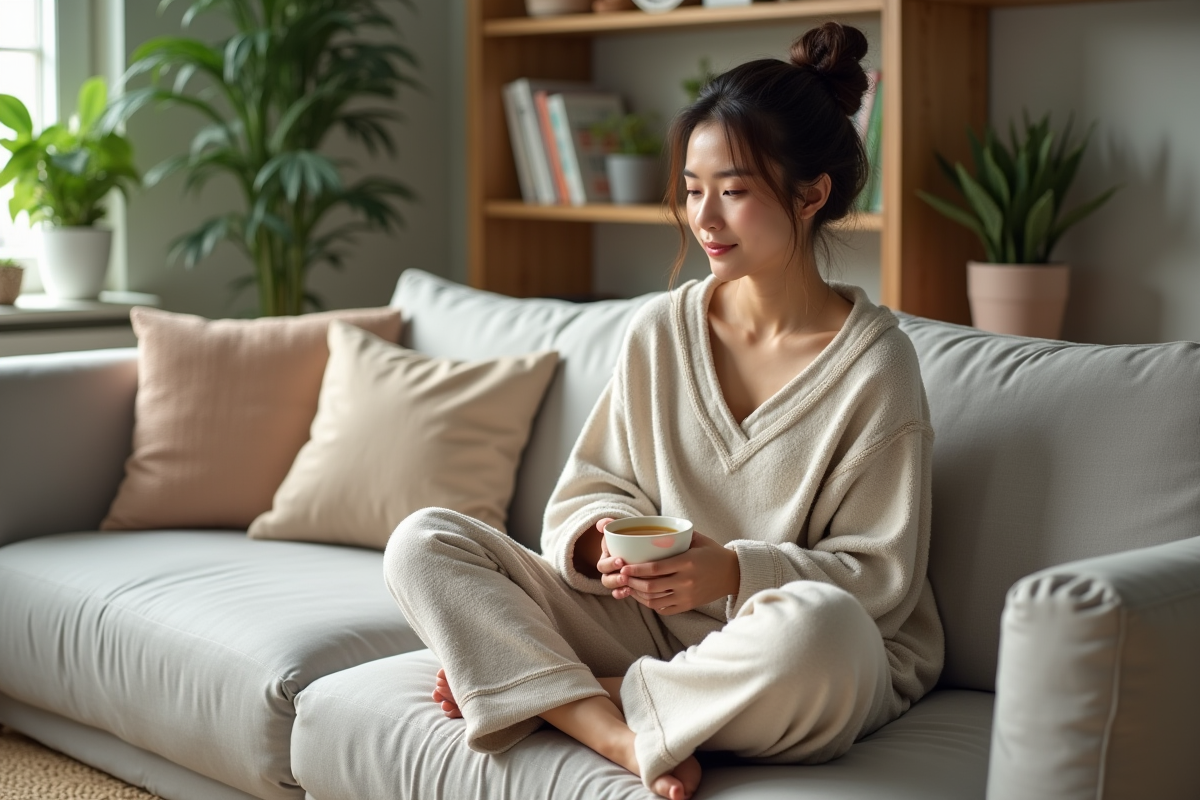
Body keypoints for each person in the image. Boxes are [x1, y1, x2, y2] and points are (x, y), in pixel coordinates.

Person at [384, 22, 944, 800]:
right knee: (424, 540)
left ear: (812, 194)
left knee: (823, 632)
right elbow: (590, 489)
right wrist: (599, 546)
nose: (704, 219)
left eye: (735, 191)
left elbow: (879, 577)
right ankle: (615, 729)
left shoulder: (876, 365)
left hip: (790, 652)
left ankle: (563, 690)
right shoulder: (658, 330)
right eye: (691, 189)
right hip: (640, 620)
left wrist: (732, 571)